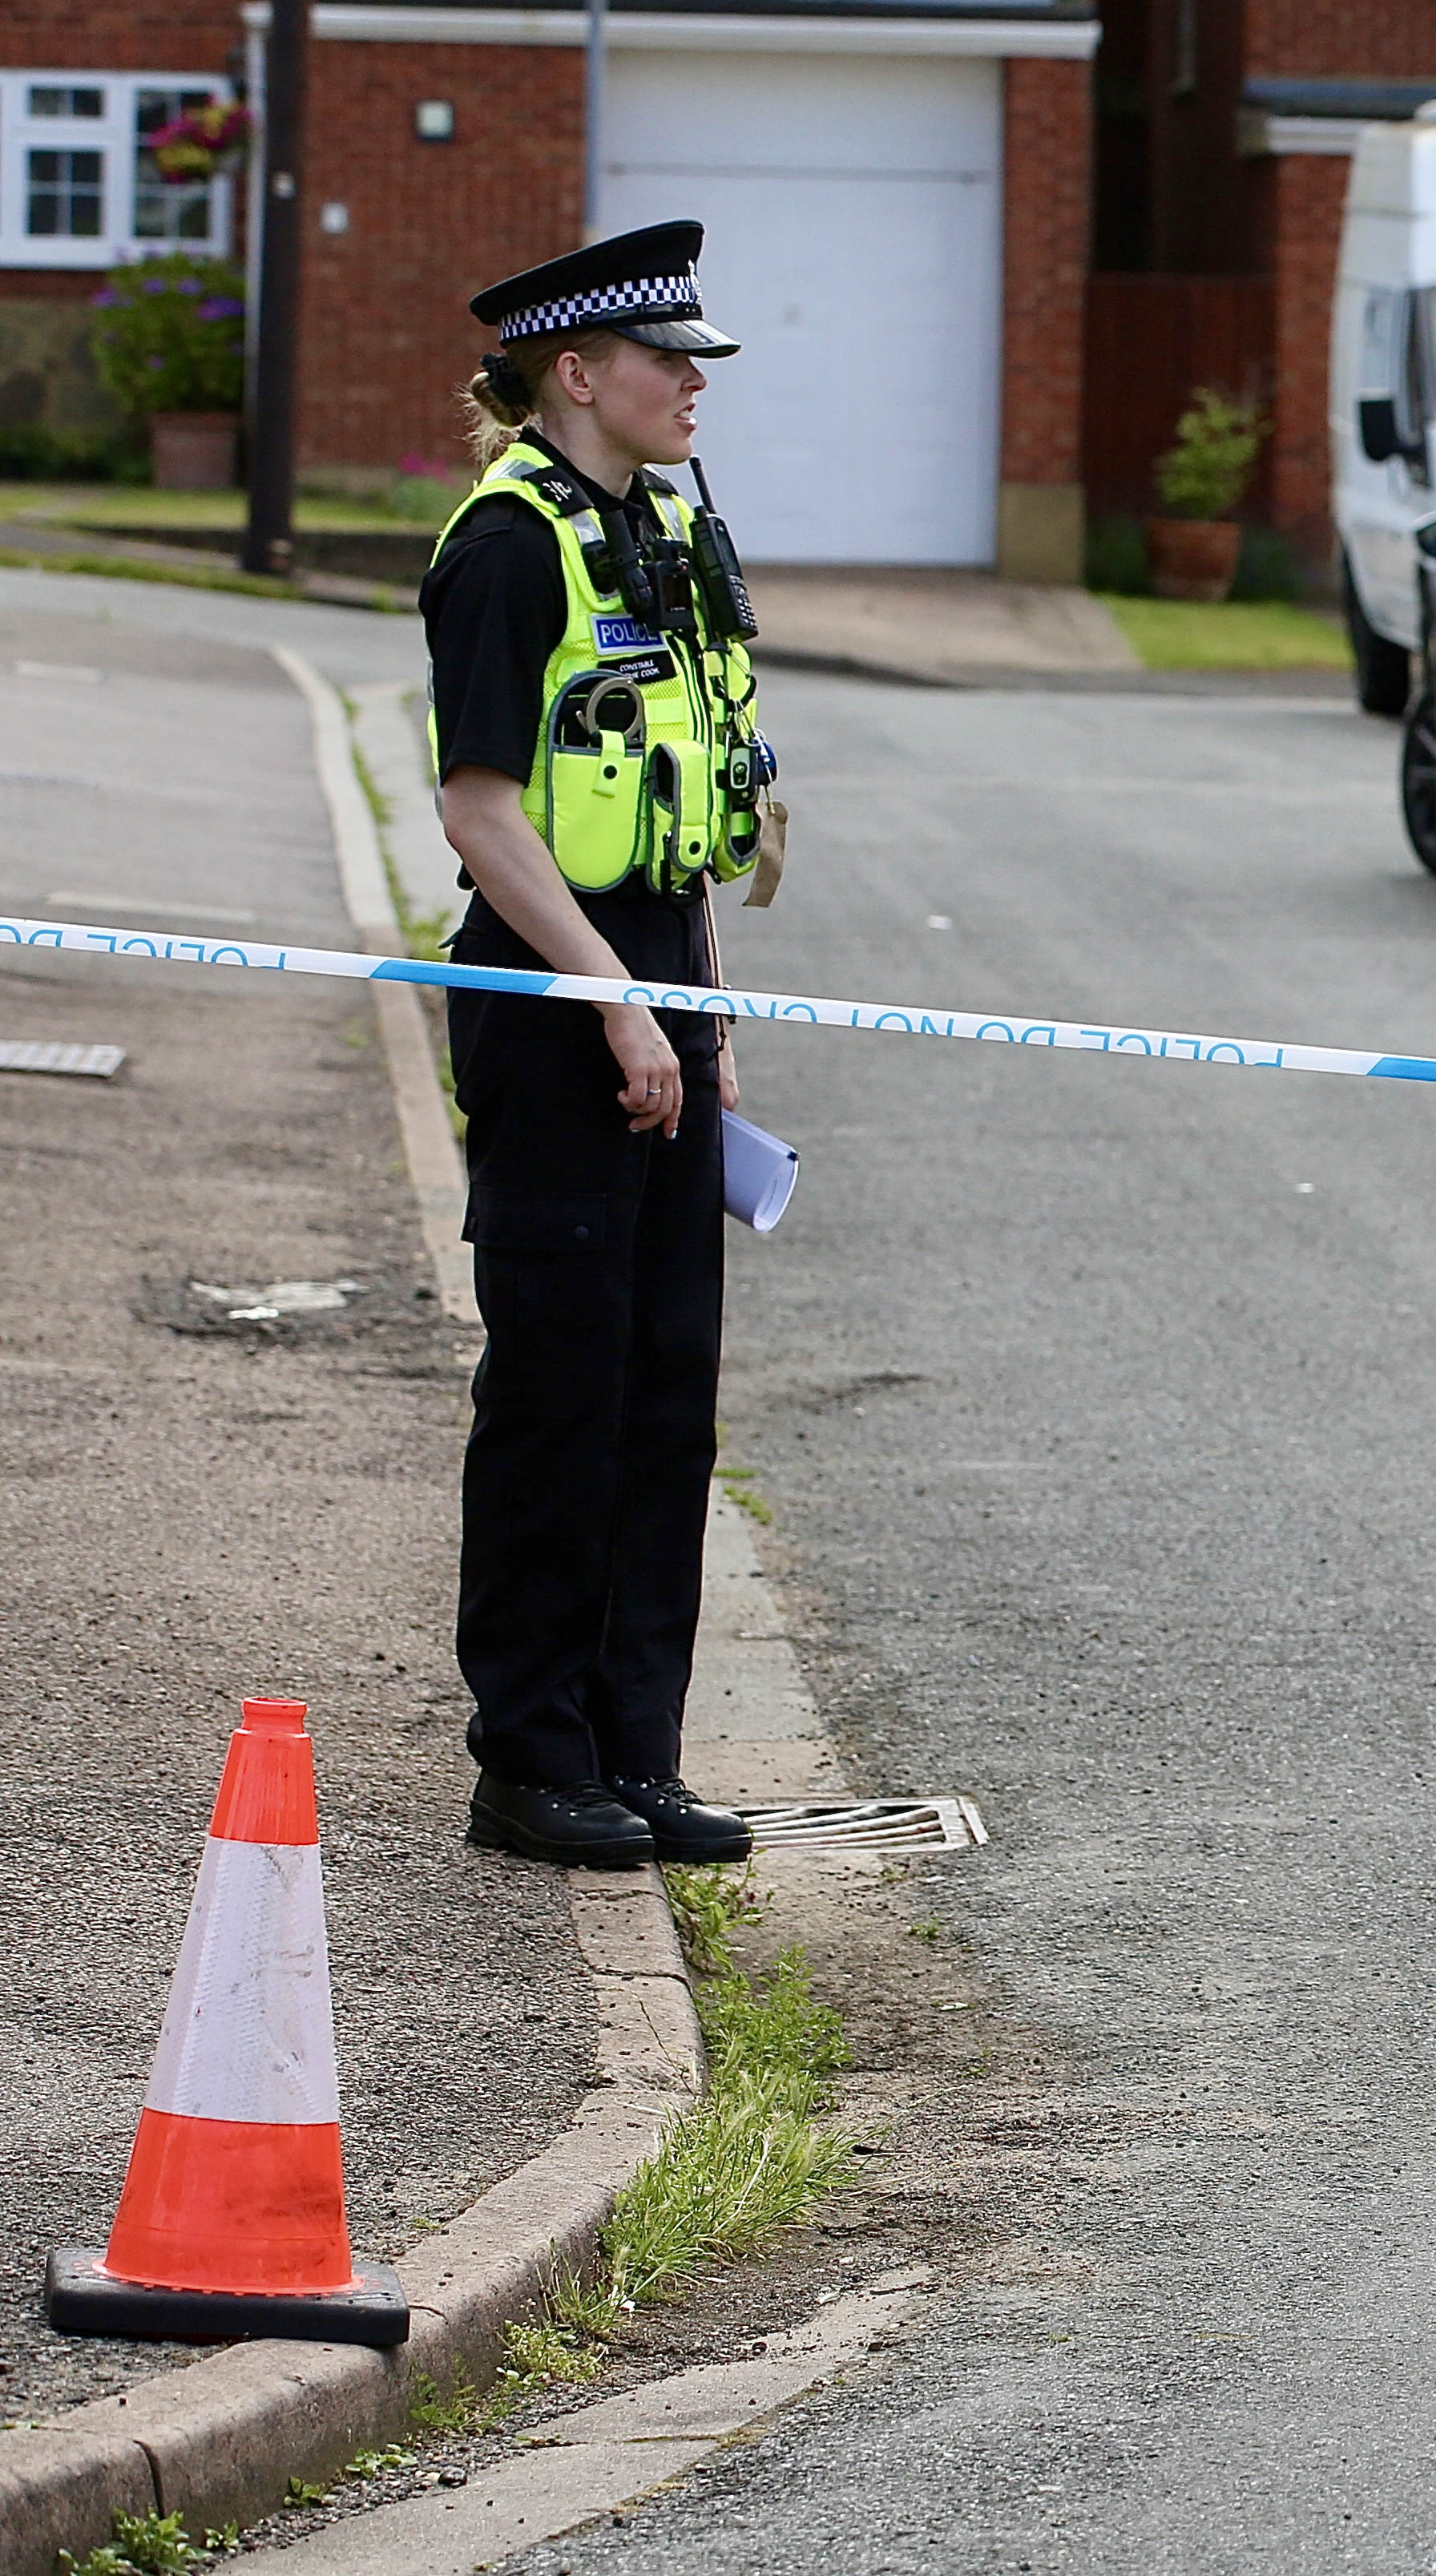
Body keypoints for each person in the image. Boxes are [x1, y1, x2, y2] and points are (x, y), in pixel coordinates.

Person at [420, 220, 778, 1872]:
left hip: (659, 980)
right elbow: (483, 814)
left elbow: (687, 818)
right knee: (560, 1390)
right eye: (668, 362)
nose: (696, 388)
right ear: (579, 374)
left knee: (665, 1398)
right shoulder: (507, 546)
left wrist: (697, 1013)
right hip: (550, 985)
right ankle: (532, 1757)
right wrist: (617, 1007)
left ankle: (637, 1751)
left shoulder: (670, 527)